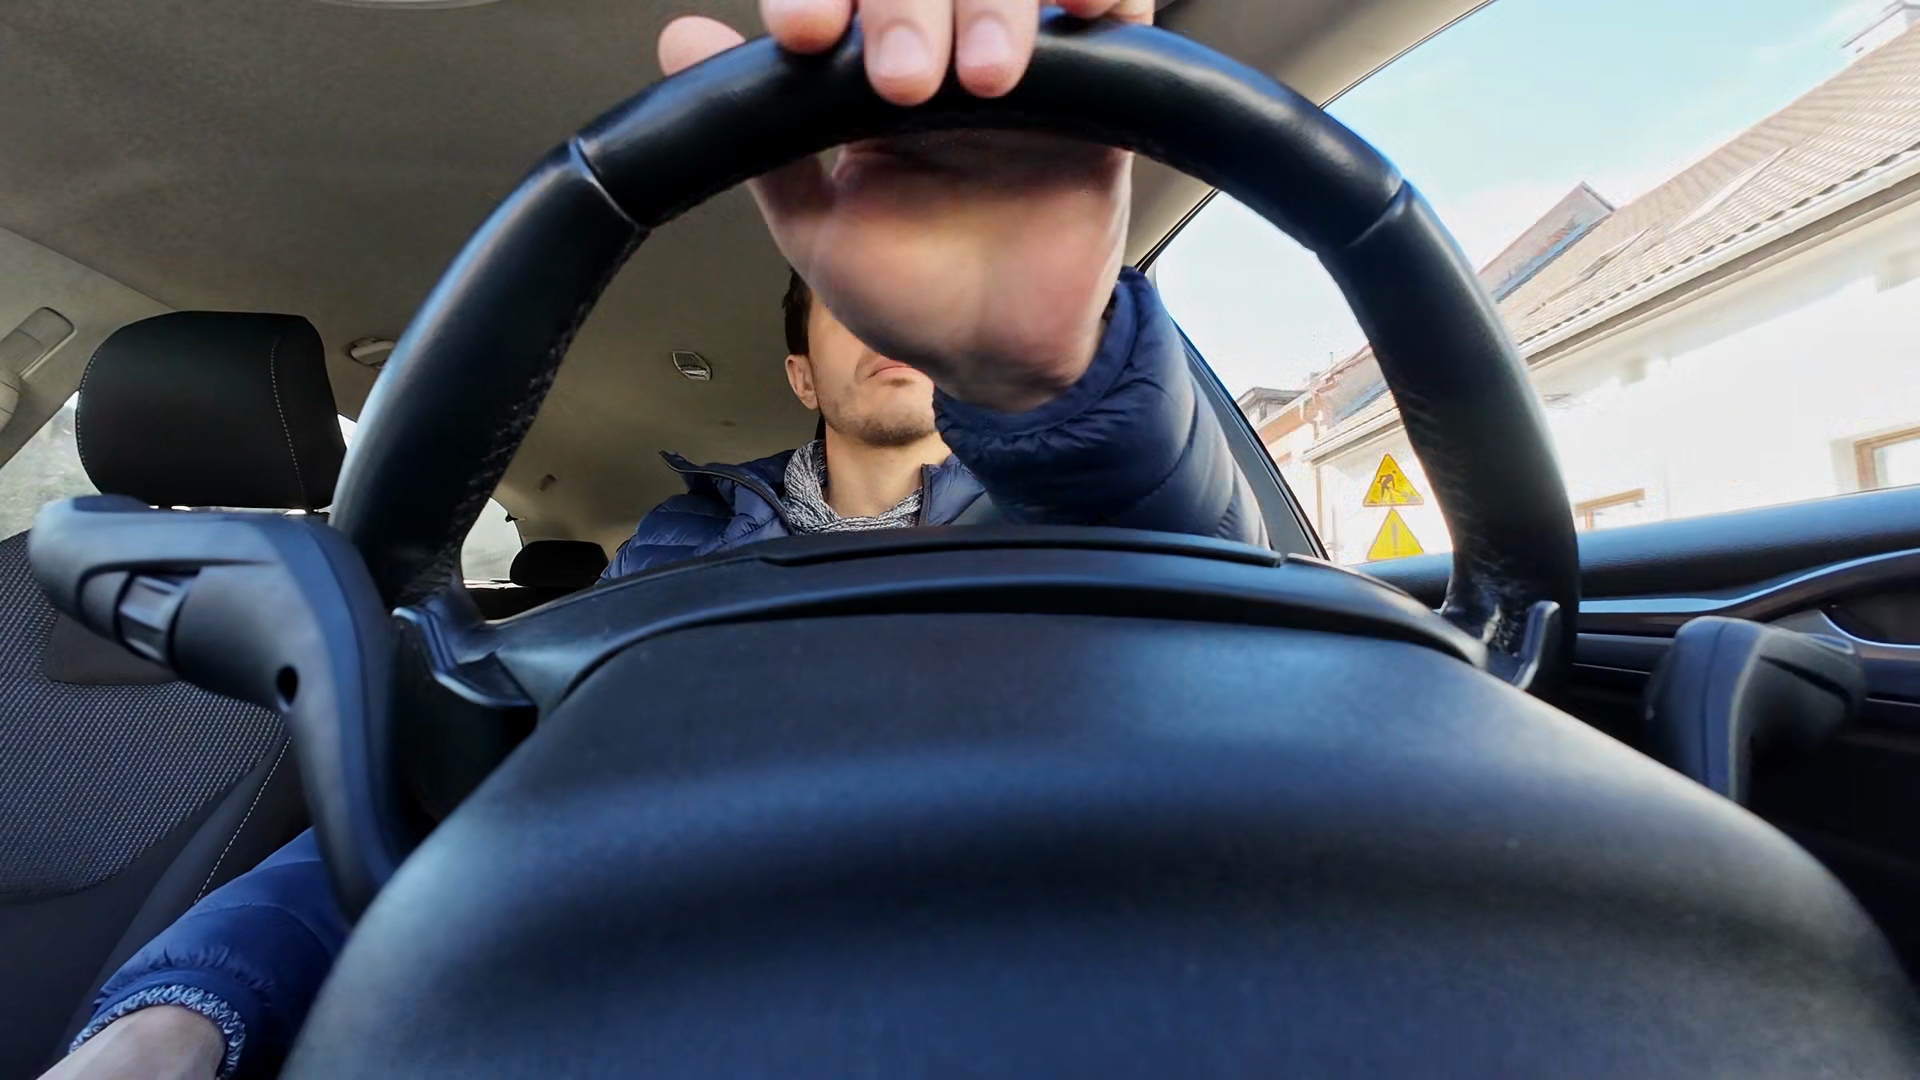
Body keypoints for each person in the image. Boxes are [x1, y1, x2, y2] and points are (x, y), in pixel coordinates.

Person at [41, 0, 1261, 1076]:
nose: (890, 329)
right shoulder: (680, 545)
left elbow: (1227, 615)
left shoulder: (1068, 518)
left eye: (909, 303)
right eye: (849, 307)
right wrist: (178, 1017)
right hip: (680, 984)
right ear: (801, 372)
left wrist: (1054, 384)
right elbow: (475, 802)